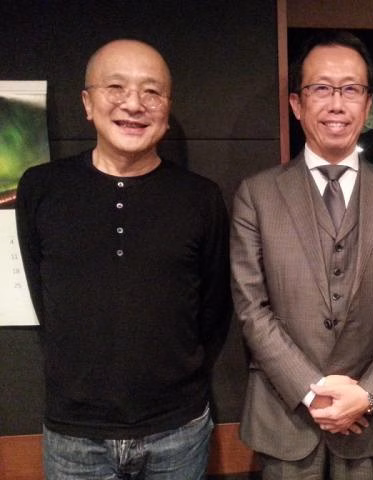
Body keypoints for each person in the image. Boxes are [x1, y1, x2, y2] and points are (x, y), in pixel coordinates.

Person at [15, 39, 231, 479]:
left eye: (152, 92)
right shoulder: (41, 187)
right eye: (116, 87)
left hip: (178, 430)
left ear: (167, 108)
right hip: (74, 435)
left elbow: (214, 308)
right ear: (87, 103)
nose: (134, 104)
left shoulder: (201, 197)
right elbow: (44, 297)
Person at [230, 30, 373, 479]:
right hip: (285, 417)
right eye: (321, 88)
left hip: (368, 419)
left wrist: (371, 392)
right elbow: (251, 307)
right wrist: (310, 389)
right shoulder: (257, 196)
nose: (337, 104)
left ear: (368, 102)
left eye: (351, 89)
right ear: (297, 104)